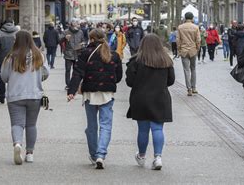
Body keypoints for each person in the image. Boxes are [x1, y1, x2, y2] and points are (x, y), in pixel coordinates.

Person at [67, 29, 122, 169]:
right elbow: (119, 77)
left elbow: (78, 72)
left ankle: (93, 154)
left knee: (91, 126)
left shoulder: (85, 54)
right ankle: (101, 154)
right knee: (106, 126)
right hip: (107, 94)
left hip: (90, 94)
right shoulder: (113, 55)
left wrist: (71, 91)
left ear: (91, 39)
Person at [126, 34, 174, 170]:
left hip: (140, 98)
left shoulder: (136, 61)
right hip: (160, 97)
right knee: (158, 128)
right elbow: (171, 80)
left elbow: (130, 82)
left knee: (143, 130)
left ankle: (141, 156)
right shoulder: (166, 60)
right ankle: (158, 157)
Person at [1, 31, 49, 165]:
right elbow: (46, 73)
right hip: (34, 95)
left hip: (15, 96)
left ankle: (17, 144)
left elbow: (4, 77)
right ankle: (30, 153)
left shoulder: (10, 57)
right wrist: (37, 77)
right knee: (31, 124)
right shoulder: (38, 55)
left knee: (17, 123)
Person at [177, 12, 200, 96]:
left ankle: (189, 89)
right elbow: (198, 40)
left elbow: (178, 40)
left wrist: (179, 50)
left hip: (184, 50)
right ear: (192, 18)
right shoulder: (195, 27)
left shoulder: (180, 27)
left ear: (185, 18)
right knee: (193, 69)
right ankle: (194, 87)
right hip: (193, 50)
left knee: (186, 70)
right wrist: (197, 48)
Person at [0, 18, 19, 103]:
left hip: (2, 59)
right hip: (15, 58)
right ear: (13, 23)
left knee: (2, 77)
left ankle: (1, 95)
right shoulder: (17, 33)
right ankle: (13, 95)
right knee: (14, 76)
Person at [61, 19, 85, 90]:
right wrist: (64, 38)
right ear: (71, 24)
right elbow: (59, 39)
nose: (77, 25)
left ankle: (74, 84)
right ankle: (68, 85)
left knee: (76, 70)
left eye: (78, 23)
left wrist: (82, 44)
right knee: (68, 70)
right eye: (75, 23)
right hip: (68, 54)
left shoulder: (80, 32)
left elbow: (83, 40)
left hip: (77, 53)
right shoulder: (66, 31)